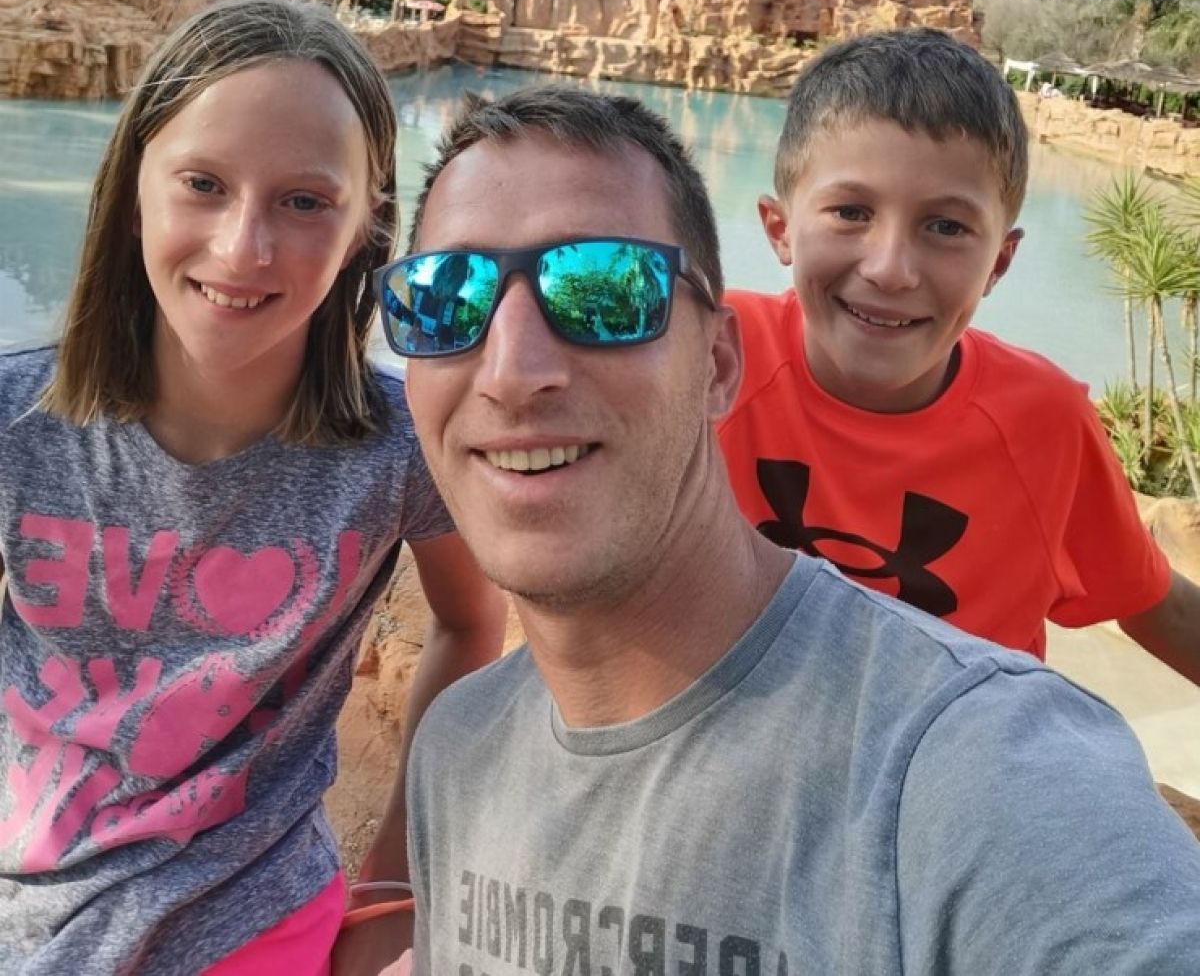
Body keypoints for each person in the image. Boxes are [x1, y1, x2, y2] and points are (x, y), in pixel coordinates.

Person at [378, 83, 1200, 974]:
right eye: (442, 296)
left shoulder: (981, 769)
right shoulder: (460, 750)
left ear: (717, 365)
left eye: (605, 289)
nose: (511, 371)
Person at [0, 0, 506, 976]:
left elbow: (468, 620)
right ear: (133, 187)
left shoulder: (397, 446)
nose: (243, 248)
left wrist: (397, 867)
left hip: (251, 908)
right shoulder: (20, 419)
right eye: (203, 183)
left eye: (305, 201)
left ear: (368, 226)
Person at [718, 28, 1200, 679]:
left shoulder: (1044, 424)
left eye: (946, 226)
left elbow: (1156, 606)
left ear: (999, 261)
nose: (890, 269)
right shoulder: (705, 355)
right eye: (851, 212)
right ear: (780, 228)